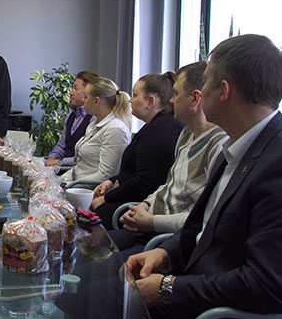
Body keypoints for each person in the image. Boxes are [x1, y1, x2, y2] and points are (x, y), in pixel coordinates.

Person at [127, 35, 282, 319]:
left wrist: (169, 289)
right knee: (92, 295)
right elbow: (204, 230)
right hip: (198, 292)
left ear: (223, 91)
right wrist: (164, 253)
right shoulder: (238, 147)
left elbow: (269, 287)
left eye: (206, 81)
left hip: (221, 315)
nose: (200, 90)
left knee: (95, 304)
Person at [109, 62, 226, 257]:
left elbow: (202, 218)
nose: (171, 100)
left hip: (169, 240)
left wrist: (151, 221)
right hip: (151, 225)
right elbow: (168, 185)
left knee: (103, 267)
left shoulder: (219, 146)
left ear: (195, 98)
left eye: (176, 94)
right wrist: (144, 206)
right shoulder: (186, 134)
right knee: (88, 250)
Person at [90, 72, 184, 230]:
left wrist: (106, 198)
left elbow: (144, 183)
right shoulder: (154, 126)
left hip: (137, 205)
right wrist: (111, 181)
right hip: (129, 198)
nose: (130, 99)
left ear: (151, 101)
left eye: (135, 95)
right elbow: (135, 170)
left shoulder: (160, 132)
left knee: (89, 221)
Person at [60, 77, 132, 183]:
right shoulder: (93, 125)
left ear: (96, 101)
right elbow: (80, 168)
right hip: (76, 185)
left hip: (89, 190)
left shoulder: (115, 130)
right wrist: (57, 181)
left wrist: (67, 185)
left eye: (85, 97)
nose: (83, 100)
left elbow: (105, 176)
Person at [46, 70, 101, 166]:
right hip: (63, 168)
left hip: (77, 170)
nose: (71, 92)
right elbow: (61, 145)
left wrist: (58, 162)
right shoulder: (71, 115)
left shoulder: (95, 119)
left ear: (88, 92)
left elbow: (86, 159)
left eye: (76, 89)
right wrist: (51, 158)